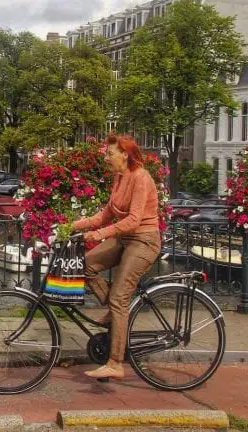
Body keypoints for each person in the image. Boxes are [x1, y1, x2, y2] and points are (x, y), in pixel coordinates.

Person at [71, 134, 161, 381]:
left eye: (109, 154)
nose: (106, 158)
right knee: (85, 264)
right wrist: (72, 225)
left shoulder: (141, 177)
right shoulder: (119, 178)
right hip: (124, 238)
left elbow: (133, 220)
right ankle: (114, 310)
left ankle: (115, 363)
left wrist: (99, 234)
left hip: (143, 241)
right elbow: (105, 215)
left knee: (119, 299)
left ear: (125, 155)